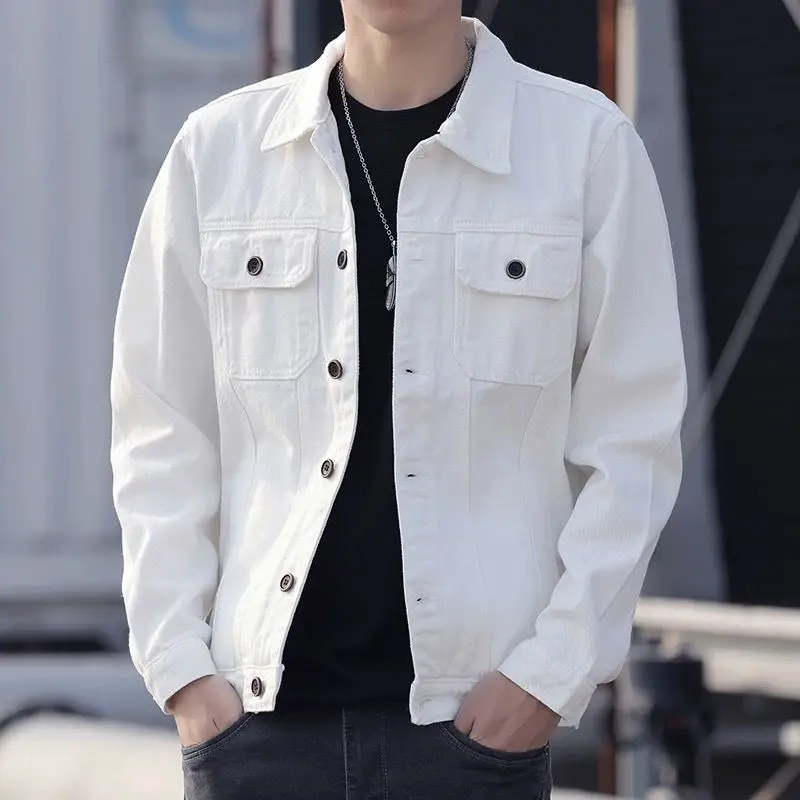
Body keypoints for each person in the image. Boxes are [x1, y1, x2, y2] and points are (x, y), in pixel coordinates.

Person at [110, 3, 687, 798]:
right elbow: (160, 429)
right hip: (255, 731)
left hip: (474, 735)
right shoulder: (220, 152)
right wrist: (181, 670)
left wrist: (549, 674)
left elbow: (633, 442)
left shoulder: (584, 148)